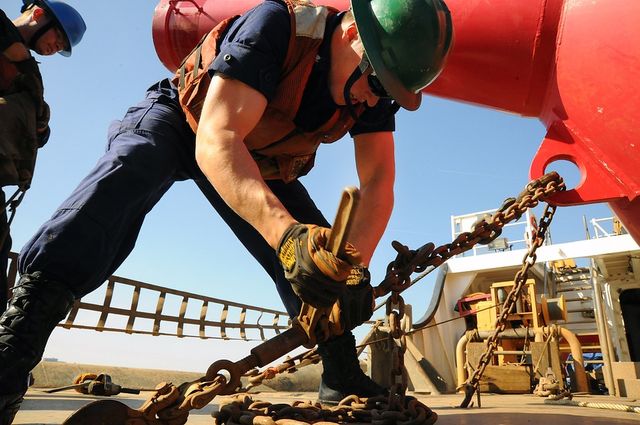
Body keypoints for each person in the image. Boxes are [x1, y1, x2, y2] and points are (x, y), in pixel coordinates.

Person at [0, 0, 452, 421]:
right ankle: (15, 345)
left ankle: (340, 371)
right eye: (376, 84)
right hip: (186, 117)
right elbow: (218, 140)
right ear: (352, 33)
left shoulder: (373, 88)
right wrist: (286, 237)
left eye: (389, 92)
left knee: (322, 254)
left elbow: (377, 184)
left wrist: (351, 267)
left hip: (261, 154)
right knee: (126, 175)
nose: (375, 99)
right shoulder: (277, 26)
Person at [0, 0, 86, 314]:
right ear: (38, 14)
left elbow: (36, 133)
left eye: (61, 46)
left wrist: (41, 124)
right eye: (58, 38)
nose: (55, 47)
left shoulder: (29, 74)